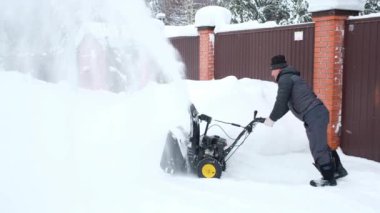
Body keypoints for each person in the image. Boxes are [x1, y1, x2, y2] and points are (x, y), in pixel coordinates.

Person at [263, 55, 348, 187]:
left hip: (313, 114)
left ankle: (328, 178)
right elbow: (286, 105)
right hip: (317, 113)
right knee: (321, 144)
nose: (271, 73)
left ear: (277, 69)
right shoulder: (291, 77)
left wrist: (272, 119)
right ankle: (338, 170)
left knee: (318, 147)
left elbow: (280, 102)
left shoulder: (285, 79)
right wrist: (272, 118)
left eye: (272, 70)